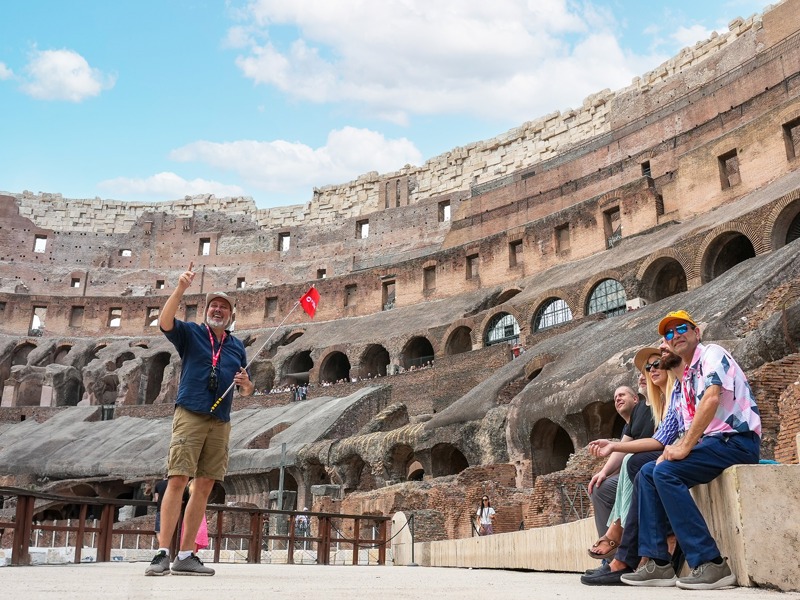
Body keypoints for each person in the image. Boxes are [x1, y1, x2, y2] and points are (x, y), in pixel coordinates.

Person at [620, 310, 761, 589]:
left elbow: (711, 399)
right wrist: (674, 448)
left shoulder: (712, 354)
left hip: (737, 441)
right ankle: (659, 564)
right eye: (669, 333)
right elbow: (685, 429)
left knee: (665, 472)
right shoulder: (685, 381)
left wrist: (683, 447)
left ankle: (711, 563)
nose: (675, 335)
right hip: (714, 444)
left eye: (681, 328)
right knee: (648, 471)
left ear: (697, 332)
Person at [145, 263, 254, 577]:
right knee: (178, 479)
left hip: (220, 420)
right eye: (213, 306)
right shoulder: (192, 333)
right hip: (191, 414)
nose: (218, 310)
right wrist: (180, 288)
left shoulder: (236, 346)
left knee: (203, 487)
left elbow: (246, 386)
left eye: (224, 307)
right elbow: (164, 323)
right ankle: (162, 552)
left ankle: (186, 554)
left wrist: (248, 386)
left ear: (231, 316)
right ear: (206, 311)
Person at [581, 341, 685, 585]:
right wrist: (604, 470)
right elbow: (655, 440)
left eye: (657, 364)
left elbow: (664, 440)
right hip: (658, 457)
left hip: (687, 452)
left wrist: (616, 448)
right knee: (604, 484)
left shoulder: (670, 395)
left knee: (638, 465)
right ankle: (617, 555)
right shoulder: (655, 405)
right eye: (647, 369)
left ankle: (625, 542)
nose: (651, 371)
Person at [586, 385, 654, 560]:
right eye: (615, 396)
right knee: (600, 488)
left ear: (636, 399)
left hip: (645, 467)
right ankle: (610, 557)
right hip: (632, 470)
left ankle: (621, 548)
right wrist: (603, 472)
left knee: (631, 461)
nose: (617, 399)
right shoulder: (630, 424)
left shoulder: (648, 408)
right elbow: (621, 449)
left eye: (622, 395)